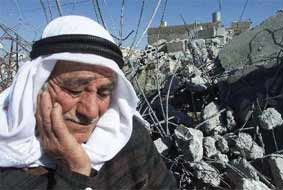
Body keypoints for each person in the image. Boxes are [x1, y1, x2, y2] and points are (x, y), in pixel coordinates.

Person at [0, 15, 176, 190]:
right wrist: (74, 172)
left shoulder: (127, 139)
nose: (91, 111)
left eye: (103, 93)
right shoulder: (8, 168)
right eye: (74, 90)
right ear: (36, 86)